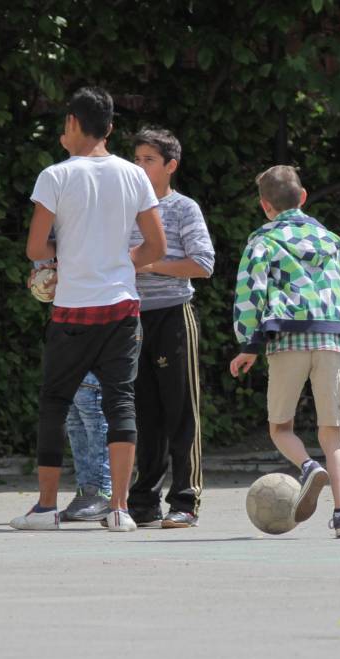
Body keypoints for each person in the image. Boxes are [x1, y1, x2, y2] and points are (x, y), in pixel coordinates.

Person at [12, 86, 166, 533]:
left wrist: (68, 260)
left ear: (73, 124)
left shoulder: (55, 176)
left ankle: (45, 508)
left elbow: (36, 247)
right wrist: (117, 262)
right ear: (111, 128)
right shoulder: (135, 175)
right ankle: (119, 509)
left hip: (74, 309)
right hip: (122, 307)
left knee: (54, 402)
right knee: (121, 402)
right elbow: (155, 245)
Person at [229, 165, 340, 538]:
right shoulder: (327, 239)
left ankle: (306, 467)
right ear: (302, 197)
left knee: (280, 426)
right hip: (332, 340)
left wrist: (249, 346)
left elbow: (248, 295)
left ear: (264, 205)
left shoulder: (262, 241)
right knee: (332, 433)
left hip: (287, 340)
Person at [125, 127, 215, 529]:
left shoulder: (183, 209)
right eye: (137, 158)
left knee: (180, 410)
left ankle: (185, 500)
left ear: (170, 166)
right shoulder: (124, 207)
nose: (139, 166)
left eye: (149, 160)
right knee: (143, 412)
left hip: (174, 315)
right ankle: (142, 502)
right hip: (130, 317)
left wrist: (149, 264)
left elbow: (203, 264)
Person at [60, 370, 113, 521]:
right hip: (70, 370)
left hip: (92, 371)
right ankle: (85, 492)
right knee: (75, 427)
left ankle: (101, 492)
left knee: (95, 425)